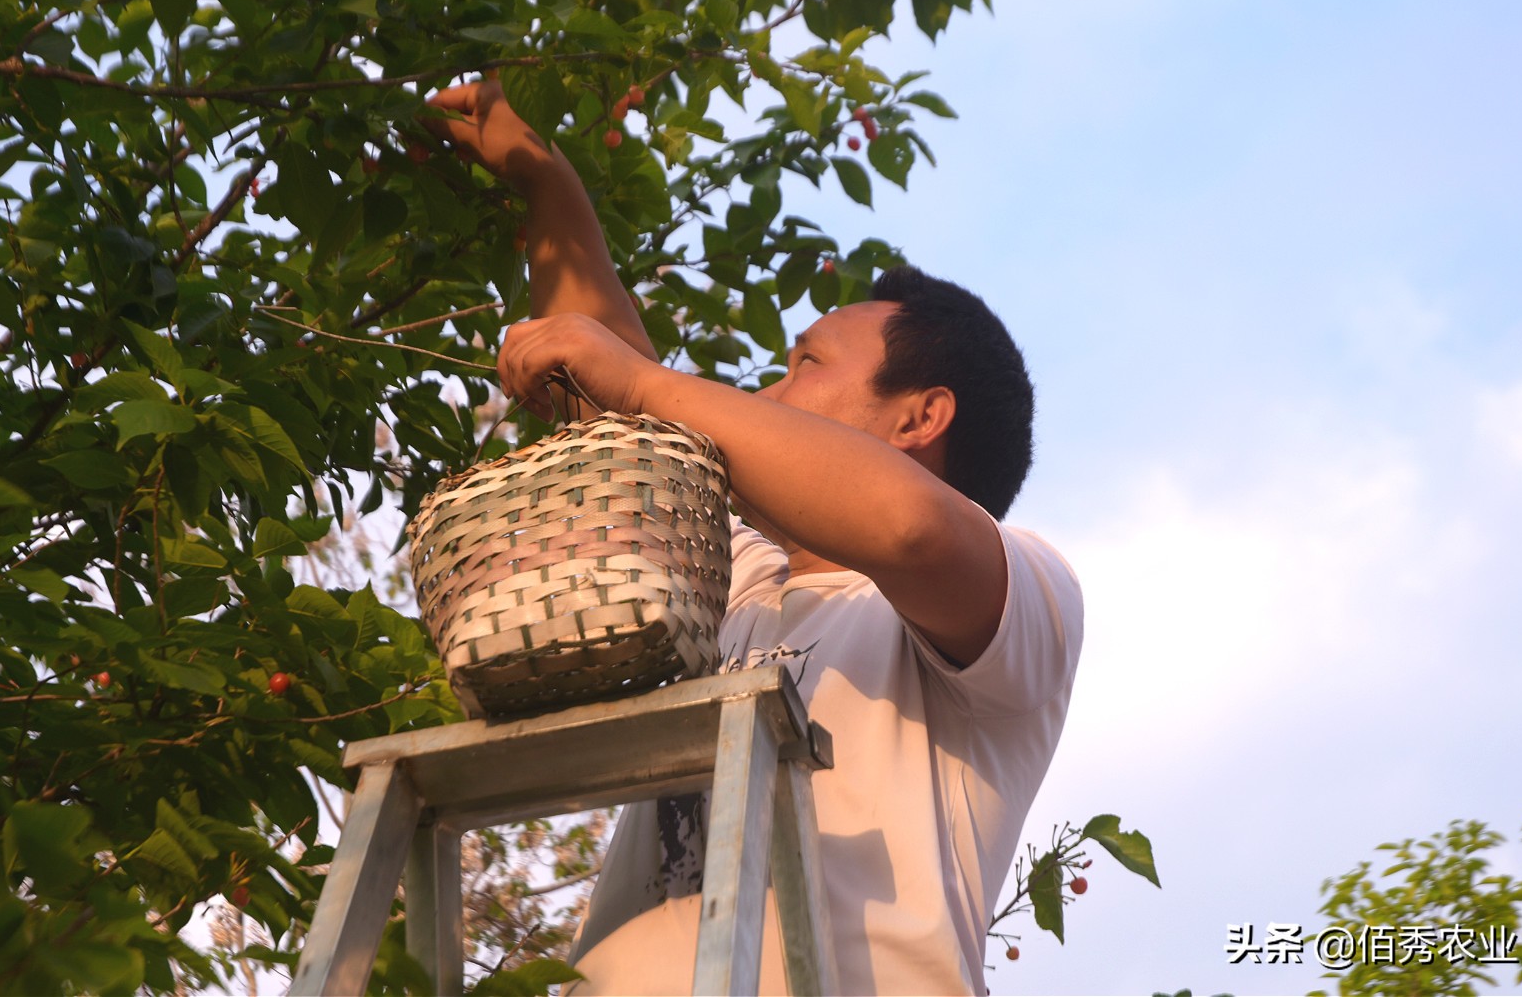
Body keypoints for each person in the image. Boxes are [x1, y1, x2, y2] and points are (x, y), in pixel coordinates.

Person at [423, 81, 1085, 995]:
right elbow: (612, 381)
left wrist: (645, 387)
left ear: (920, 418)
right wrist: (547, 185)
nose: (760, 399)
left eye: (805, 363)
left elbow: (908, 526)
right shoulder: (735, 585)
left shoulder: (1022, 598)